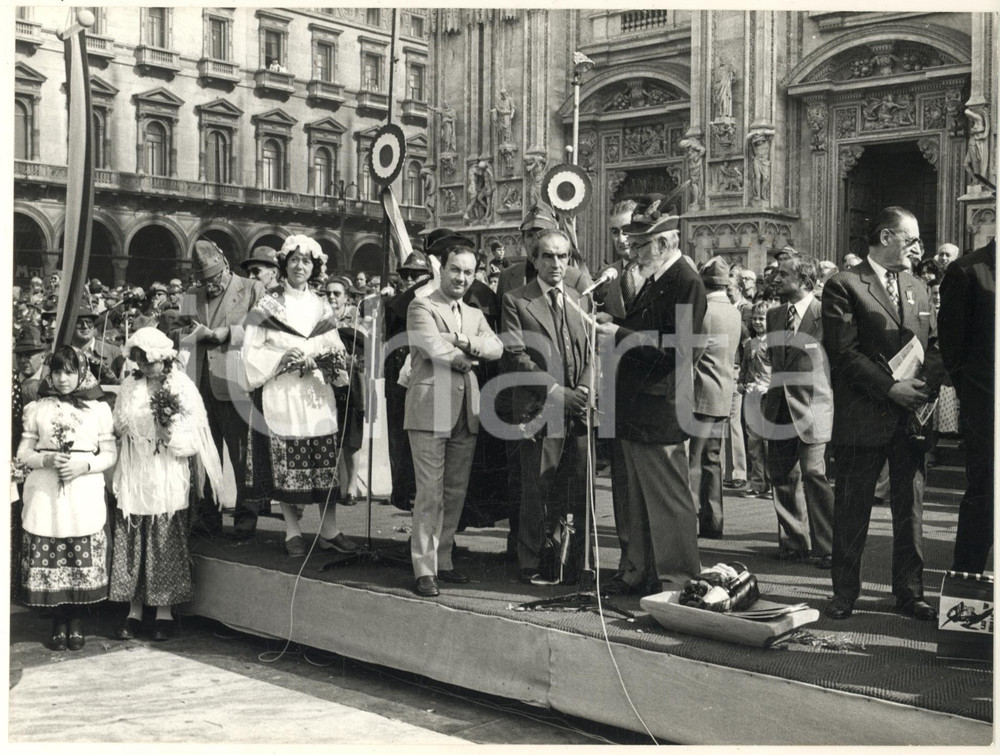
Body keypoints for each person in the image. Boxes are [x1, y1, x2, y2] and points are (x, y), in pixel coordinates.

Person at [821, 206, 944, 621]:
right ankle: (844, 593)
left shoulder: (919, 287)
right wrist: (891, 388)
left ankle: (910, 593)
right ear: (886, 237)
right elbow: (844, 353)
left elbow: (936, 344)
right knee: (852, 510)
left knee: (910, 512)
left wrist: (923, 388)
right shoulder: (844, 284)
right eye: (911, 239)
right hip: (864, 417)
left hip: (911, 418)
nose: (918, 247)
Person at [597, 196, 707, 595]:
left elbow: (678, 350)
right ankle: (640, 571)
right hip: (640, 405)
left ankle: (679, 579)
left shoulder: (685, 281)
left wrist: (620, 334)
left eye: (641, 244)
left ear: (664, 243)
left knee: (668, 501)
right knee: (640, 500)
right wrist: (616, 321)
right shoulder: (659, 277)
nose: (634, 251)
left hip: (661, 406)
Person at [110, 328, 228, 641]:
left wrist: (170, 435)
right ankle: (134, 611)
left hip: (167, 470)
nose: (145, 366)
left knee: (164, 541)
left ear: (164, 359)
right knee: (133, 538)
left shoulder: (182, 386)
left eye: (150, 360)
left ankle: (164, 613)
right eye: (139, 360)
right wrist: (125, 427)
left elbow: (195, 436)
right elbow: (119, 422)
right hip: (137, 470)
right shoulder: (130, 385)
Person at [243, 235, 358, 558]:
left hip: (315, 391)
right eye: (294, 260)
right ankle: (292, 531)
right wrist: (282, 358)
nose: (299, 266)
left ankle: (329, 530)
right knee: (288, 464)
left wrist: (323, 361)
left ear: (314, 267)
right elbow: (250, 351)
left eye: (306, 261)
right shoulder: (266, 305)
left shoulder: (321, 305)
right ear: (284, 264)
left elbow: (333, 346)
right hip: (283, 391)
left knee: (323, 462)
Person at [405, 241, 503, 597]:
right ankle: (424, 568)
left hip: (465, 410)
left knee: (455, 490)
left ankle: (443, 560)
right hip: (430, 407)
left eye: (468, 271)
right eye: (455, 269)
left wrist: (459, 338)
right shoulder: (421, 305)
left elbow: (497, 348)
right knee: (429, 492)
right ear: (441, 270)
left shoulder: (474, 314)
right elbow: (432, 347)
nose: (461, 277)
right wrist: (465, 355)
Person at [502, 229, 593, 584]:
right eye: (548, 256)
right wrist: (557, 392)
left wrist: (584, 388)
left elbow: (592, 351)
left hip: (578, 410)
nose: (557, 263)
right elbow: (516, 356)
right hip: (540, 408)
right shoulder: (516, 301)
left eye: (563, 256)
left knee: (576, 488)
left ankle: (571, 561)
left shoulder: (579, 299)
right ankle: (531, 560)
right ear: (535, 259)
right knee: (536, 488)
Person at [16, 345, 117, 651]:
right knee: (52, 552)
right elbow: (23, 453)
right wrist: (44, 460)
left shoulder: (98, 409)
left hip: (82, 489)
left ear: (81, 373)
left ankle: (76, 621)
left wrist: (84, 465)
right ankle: (57, 622)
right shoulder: (39, 408)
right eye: (57, 372)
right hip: (46, 490)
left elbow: (109, 454)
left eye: (70, 372)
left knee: (77, 553)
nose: (62, 379)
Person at [171, 240, 264, 537]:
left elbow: (264, 329)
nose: (210, 285)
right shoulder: (191, 294)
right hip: (199, 386)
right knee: (205, 457)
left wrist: (230, 333)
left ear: (225, 264)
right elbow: (175, 329)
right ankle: (208, 518)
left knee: (241, 456)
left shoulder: (252, 289)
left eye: (214, 278)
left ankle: (245, 521)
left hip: (235, 384)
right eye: (204, 280)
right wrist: (188, 332)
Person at [762, 254, 835, 568]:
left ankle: (828, 547)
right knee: (782, 476)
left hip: (814, 407)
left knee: (814, 474)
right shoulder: (774, 315)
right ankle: (794, 542)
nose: (775, 279)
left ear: (804, 280)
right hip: (779, 406)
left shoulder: (826, 313)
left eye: (783, 274)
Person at [938, 239, 995, 574]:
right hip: (988, 406)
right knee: (984, 492)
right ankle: (967, 581)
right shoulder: (967, 270)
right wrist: (976, 395)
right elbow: (953, 346)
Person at [595, 199, 639, 575]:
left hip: (655, 393)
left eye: (627, 229)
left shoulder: (666, 273)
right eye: (615, 231)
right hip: (616, 390)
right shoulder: (608, 277)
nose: (621, 238)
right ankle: (628, 561)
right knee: (622, 479)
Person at [688, 257, 741, 540]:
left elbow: (692, 355)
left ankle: (689, 520)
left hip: (701, 393)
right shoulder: (734, 311)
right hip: (722, 394)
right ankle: (713, 520)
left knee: (694, 461)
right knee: (712, 460)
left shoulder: (705, 311)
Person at [383, 249, 435, 512]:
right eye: (406, 275)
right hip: (398, 382)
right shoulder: (393, 305)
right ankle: (404, 495)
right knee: (400, 442)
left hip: (424, 379)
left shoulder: (433, 303)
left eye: (417, 275)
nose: (410, 280)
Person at [325, 275, 365, 507]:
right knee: (328, 436)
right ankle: (332, 485)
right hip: (326, 384)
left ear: (347, 297)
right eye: (328, 293)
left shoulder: (357, 318)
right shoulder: (320, 317)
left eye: (337, 293)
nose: (332, 297)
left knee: (351, 438)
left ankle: (351, 486)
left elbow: (365, 350)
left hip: (352, 385)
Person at [738, 301, 773, 498]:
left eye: (762, 318)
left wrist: (769, 386)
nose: (758, 322)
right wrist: (741, 383)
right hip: (751, 395)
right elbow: (745, 366)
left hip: (767, 396)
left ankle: (772, 484)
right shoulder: (750, 343)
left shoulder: (774, 343)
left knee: (768, 442)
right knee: (753, 442)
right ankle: (758, 484)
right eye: (755, 319)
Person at [71, 302, 124, 385]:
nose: (85, 326)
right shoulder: (64, 352)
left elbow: (124, 385)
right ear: (70, 326)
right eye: (79, 322)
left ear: (94, 326)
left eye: (89, 322)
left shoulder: (114, 352)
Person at [14, 325, 48, 404]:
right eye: (19, 355)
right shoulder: (10, 379)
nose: (22, 360)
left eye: (28, 355)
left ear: (43, 357)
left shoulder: (53, 379)